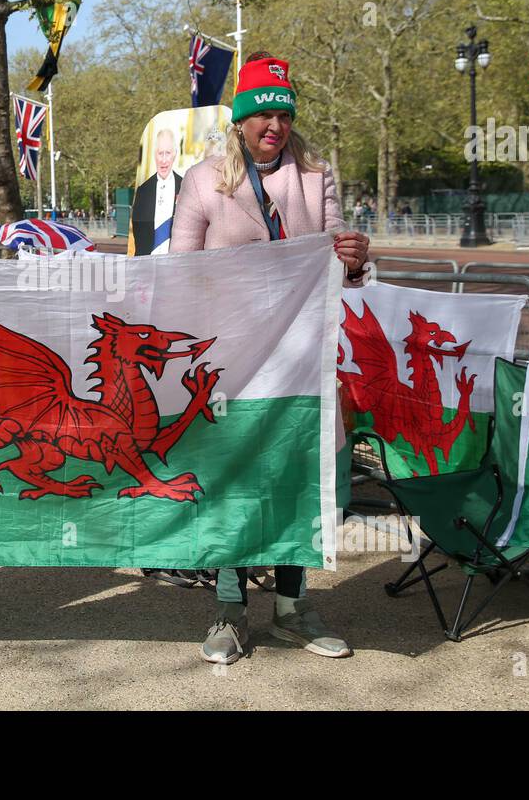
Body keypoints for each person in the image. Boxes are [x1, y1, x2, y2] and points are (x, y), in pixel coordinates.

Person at [171, 52, 369, 665]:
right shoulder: (205, 179)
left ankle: (292, 607)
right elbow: (180, 271)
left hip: (302, 358)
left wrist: (356, 257)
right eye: (263, 116)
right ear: (241, 122)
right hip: (232, 361)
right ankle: (229, 612)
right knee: (232, 483)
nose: (275, 126)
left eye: (283, 115)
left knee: (297, 481)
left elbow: (344, 268)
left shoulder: (317, 174)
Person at [131, 127, 184, 255]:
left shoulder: (185, 186)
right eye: (160, 153)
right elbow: (138, 235)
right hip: (148, 266)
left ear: (175, 154)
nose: (163, 160)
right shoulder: (143, 191)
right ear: (154, 154)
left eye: (168, 153)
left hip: (177, 264)